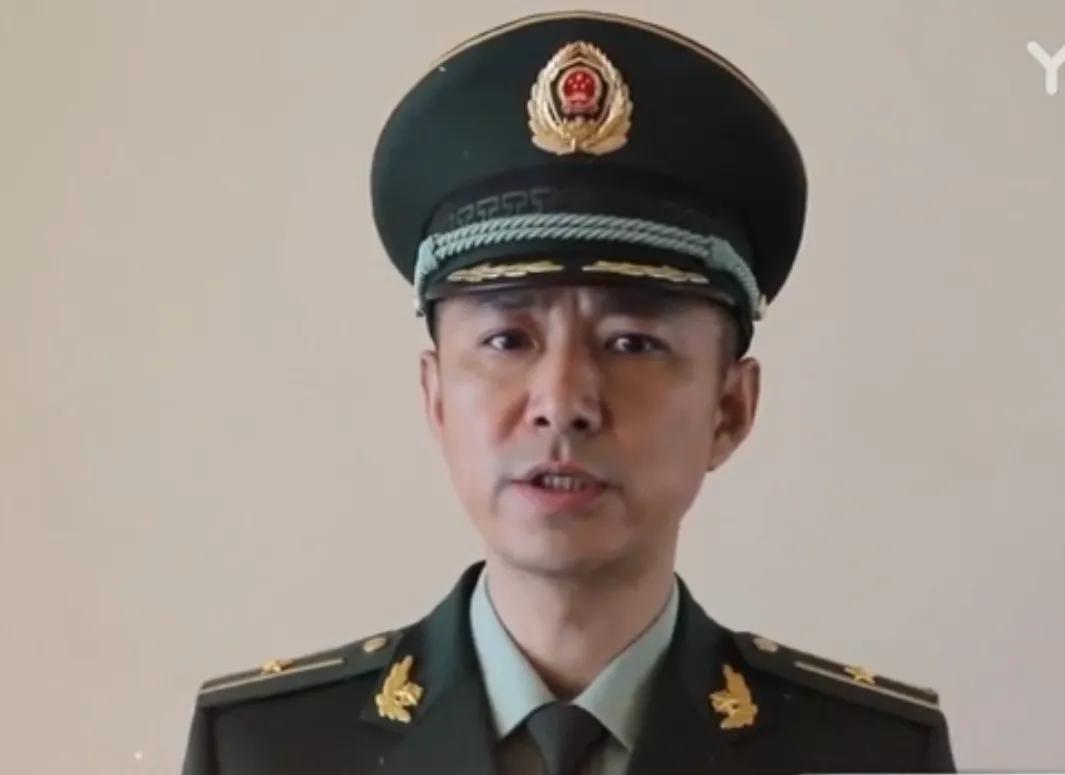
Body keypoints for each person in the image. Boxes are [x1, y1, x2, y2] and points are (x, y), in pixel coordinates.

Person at [181, 11, 956, 774]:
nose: (560, 401)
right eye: (507, 340)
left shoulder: (872, 757)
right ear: (436, 396)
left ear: (729, 409)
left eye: (632, 343)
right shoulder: (267, 750)